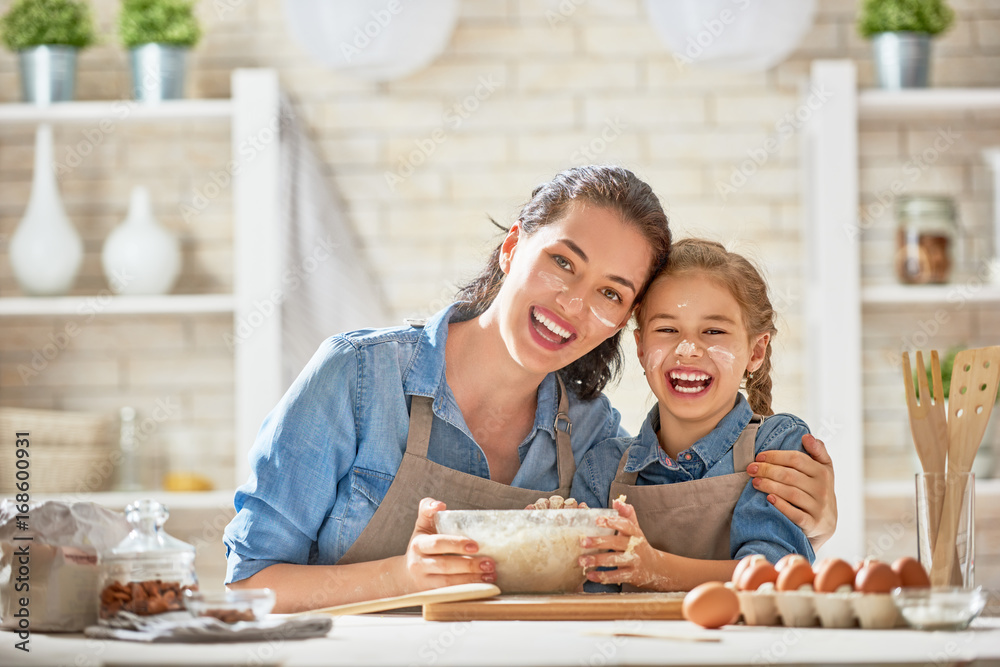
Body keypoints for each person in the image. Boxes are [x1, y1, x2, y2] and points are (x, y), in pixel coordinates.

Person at [224, 167, 836, 612]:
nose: (574, 304)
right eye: (563, 262)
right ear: (513, 244)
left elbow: (675, 502)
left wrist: (815, 521)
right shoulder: (357, 377)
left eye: (611, 292)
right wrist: (401, 577)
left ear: (623, 322)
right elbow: (248, 586)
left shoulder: (590, 432)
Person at [572, 238, 821, 592]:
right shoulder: (603, 469)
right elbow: (589, 599)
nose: (688, 349)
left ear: (756, 351)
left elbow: (773, 576)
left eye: (714, 331)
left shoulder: (776, 445)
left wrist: (654, 568)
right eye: (668, 330)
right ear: (641, 349)